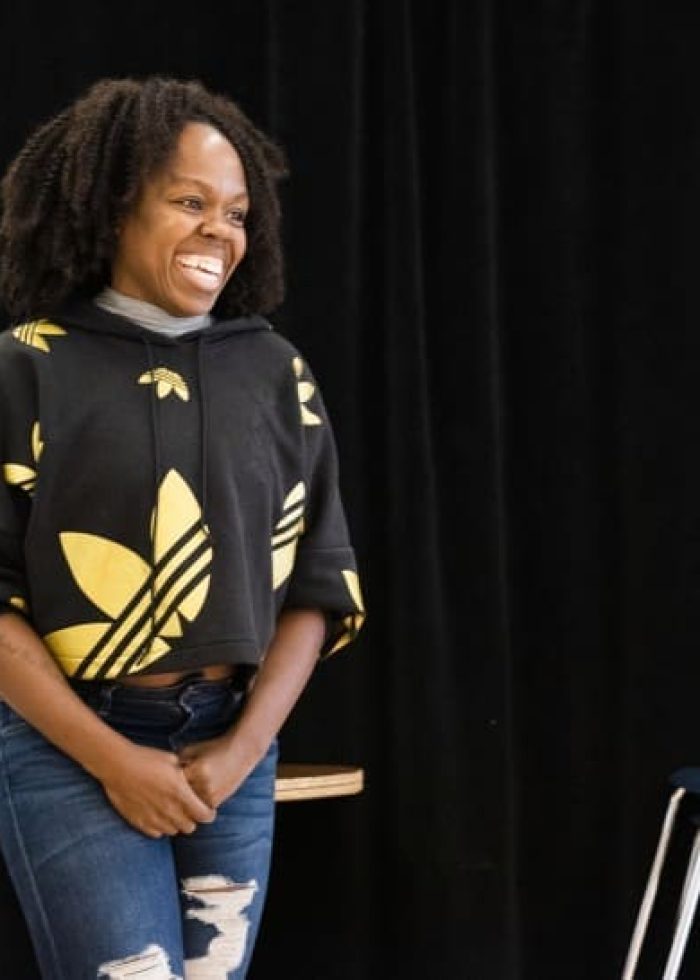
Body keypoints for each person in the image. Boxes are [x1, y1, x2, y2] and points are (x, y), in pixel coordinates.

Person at [0, 76, 364, 979]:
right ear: (113, 208)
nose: (220, 232)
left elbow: (317, 588)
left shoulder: (275, 372)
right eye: (190, 202)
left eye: (237, 213)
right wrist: (117, 759)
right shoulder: (26, 366)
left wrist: (241, 750)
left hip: (228, 744)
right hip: (69, 743)